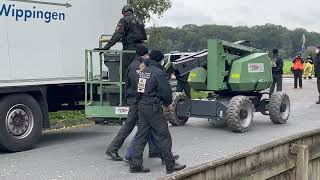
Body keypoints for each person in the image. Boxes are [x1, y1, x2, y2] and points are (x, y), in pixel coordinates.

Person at [130, 50, 186, 174]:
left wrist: (141, 102)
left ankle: (135, 165)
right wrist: (167, 105)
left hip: (142, 106)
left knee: (141, 135)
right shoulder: (159, 73)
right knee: (164, 135)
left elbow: (139, 90)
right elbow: (166, 93)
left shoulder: (143, 71)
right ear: (161, 60)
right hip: (153, 107)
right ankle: (170, 165)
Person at [105, 45, 159, 161]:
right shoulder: (136, 66)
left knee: (145, 125)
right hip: (135, 99)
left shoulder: (136, 64)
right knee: (131, 125)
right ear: (144, 55)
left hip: (135, 98)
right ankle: (113, 149)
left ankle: (155, 151)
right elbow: (139, 84)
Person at [97, 5, 147, 82]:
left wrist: (106, 47)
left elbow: (117, 35)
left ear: (124, 12)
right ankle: (140, 92)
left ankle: (125, 92)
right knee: (140, 73)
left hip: (129, 51)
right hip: (141, 52)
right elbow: (144, 37)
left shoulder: (124, 20)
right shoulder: (139, 21)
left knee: (125, 73)